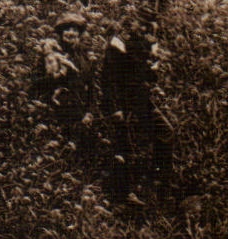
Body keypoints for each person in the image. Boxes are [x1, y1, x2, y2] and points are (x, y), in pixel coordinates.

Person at [98, 21, 173, 203]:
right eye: (140, 23)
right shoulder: (118, 44)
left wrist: (153, 65)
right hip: (122, 104)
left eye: (147, 25)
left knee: (165, 132)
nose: (144, 29)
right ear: (131, 24)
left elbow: (146, 77)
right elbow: (108, 79)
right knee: (124, 148)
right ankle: (124, 195)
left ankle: (160, 182)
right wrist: (115, 107)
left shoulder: (142, 46)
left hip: (141, 102)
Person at [30, 12, 95, 151]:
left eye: (75, 30)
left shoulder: (84, 57)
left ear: (79, 34)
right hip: (54, 114)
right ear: (60, 32)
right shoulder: (48, 54)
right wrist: (57, 77)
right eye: (67, 29)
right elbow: (35, 82)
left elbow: (91, 87)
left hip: (79, 117)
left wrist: (90, 112)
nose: (71, 33)